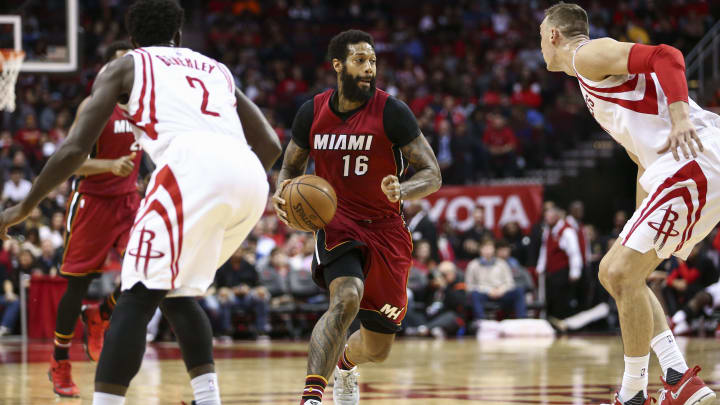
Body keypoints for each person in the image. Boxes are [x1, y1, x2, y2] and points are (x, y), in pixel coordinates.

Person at [0, 1, 282, 404]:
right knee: (176, 292)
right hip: (251, 179)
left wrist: (23, 207)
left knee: (135, 293)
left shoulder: (127, 65)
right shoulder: (216, 69)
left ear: (133, 41)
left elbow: (74, 148)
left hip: (191, 168)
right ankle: (207, 398)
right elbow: (270, 145)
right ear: (180, 37)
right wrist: (225, 181)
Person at [540, 3, 718, 404]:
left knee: (619, 274)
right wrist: (637, 221)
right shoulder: (592, 81)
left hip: (693, 157)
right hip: (675, 168)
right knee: (617, 274)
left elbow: (667, 55)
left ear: (552, 35)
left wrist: (679, 115)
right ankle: (676, 376)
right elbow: (642, 160)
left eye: (540, 37)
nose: (541, 46)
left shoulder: (585, 55)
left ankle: (634, 394)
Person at [273, 29, 441, 405]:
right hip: (337, 223)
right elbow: (290, 169)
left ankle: (346, 363)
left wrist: (404, 189)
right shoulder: (312, 112)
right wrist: (280, 196)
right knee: (346, 296)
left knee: (378, 348)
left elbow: (432, 173)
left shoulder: (392, 111)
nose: (369, 68)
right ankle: (312, 396)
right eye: (360, 61)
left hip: (386, 229)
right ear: (338, 65)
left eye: (373, 61)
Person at [45, 41, 144, 398]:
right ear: (106, 71)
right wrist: (107, 166)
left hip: (129, 202)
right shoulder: (94, 106)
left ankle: (101, 313)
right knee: (76, 286)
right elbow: (68, 159)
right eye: (119, 65)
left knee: (147, 271)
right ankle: (59, 363)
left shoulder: (143, 109)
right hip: (92, 202)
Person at [465, 238, 527, 325]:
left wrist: (501, 290)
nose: (487, 251)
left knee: (519, 291)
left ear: (494, 249)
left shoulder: (502, 263)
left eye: (490, 248)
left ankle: (522, 322)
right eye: (485, 248)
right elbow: (469, 286)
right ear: (480, 249)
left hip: (501, 293)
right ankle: (481, 323)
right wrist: (488, 290)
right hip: (484, 294)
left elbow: (510, 283)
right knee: (474, 295)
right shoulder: (473, 265)